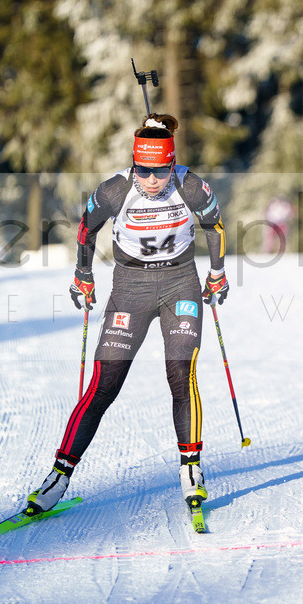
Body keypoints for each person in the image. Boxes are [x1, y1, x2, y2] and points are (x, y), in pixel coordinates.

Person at [25, 113, 229, 515]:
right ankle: (58, 476)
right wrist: (83, 275)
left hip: (179, 285)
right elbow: (87, 228)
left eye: (159, 171)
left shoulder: (191, 186)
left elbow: (215, 226)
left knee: (180, 372)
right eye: (142, 169)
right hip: (129, 291)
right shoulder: (115, 190)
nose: (151, 180)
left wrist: (217, 274)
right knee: (104, 383)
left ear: (172, 164)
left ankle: (191, 469)